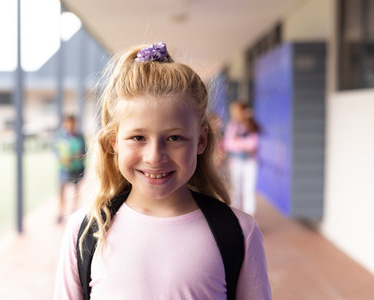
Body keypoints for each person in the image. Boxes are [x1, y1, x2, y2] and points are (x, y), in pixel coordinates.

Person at [54, 42, 271, 299]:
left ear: (201, 140)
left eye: (174, 138)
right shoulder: (85, 232)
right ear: (114, 142)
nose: (155, 156)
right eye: (138, 138)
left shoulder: (239, 233)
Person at [223, 101, 261, 216]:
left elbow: (253, 144)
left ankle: (250, 217)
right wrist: (242, 145)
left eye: (236, 111)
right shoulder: (232, 126)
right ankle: (236, 217)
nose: (234, 113)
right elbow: (227, 144)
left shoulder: (251, 125)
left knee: (249, 189)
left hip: (250, 161)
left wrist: (237, 143)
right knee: (236, 189)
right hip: (235, 162)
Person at [53, 115, 86, 224]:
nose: (70, 125)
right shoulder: (61, 136)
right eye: (67, 123)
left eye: (71, 123)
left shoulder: (80, 136)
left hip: (77, 168)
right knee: (62, 189)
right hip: (64, 168)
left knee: (76, 190)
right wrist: (61, 157)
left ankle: (74, 210)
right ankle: (60, 212)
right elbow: (55, 150)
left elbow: (83, 153)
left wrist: (77, 156)